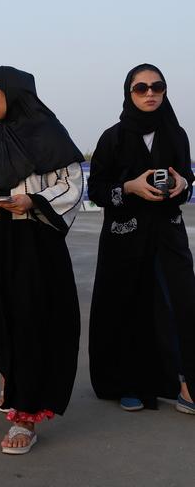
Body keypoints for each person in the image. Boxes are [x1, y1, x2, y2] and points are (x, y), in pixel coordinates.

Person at [0, 66, 84, 454]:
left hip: (34, 242)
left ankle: (25, 414)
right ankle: (13, 380)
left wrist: (34, 201)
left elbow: (72, 185)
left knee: (31, 323)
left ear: (13, 94)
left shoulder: (49, 135)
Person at [88, 63, 195, 415]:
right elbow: (97, 188)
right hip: (126, 238)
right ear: (128, 92)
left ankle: (186, 385)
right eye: (141, 87)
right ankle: (128, 382)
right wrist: (129, 187)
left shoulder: (177, 135)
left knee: (180, 304)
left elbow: (186, 176)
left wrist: (183, 184)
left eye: (157, 86)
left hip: (168, 233)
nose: (150, 93)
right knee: (127, 305)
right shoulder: (113, 137)